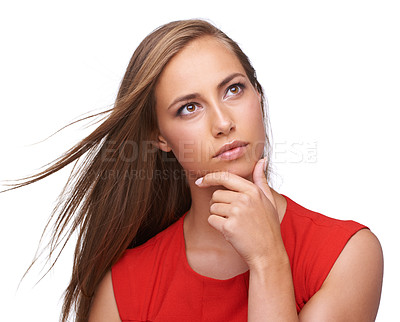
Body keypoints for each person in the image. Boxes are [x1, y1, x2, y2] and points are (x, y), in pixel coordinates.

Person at [6, 19, 383, 321]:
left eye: (234, 89)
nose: (222, 122)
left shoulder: (346, 255)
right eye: (189, 107)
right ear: (160, 137)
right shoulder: (124, 288)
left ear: (258, 94)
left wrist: (268, 260)